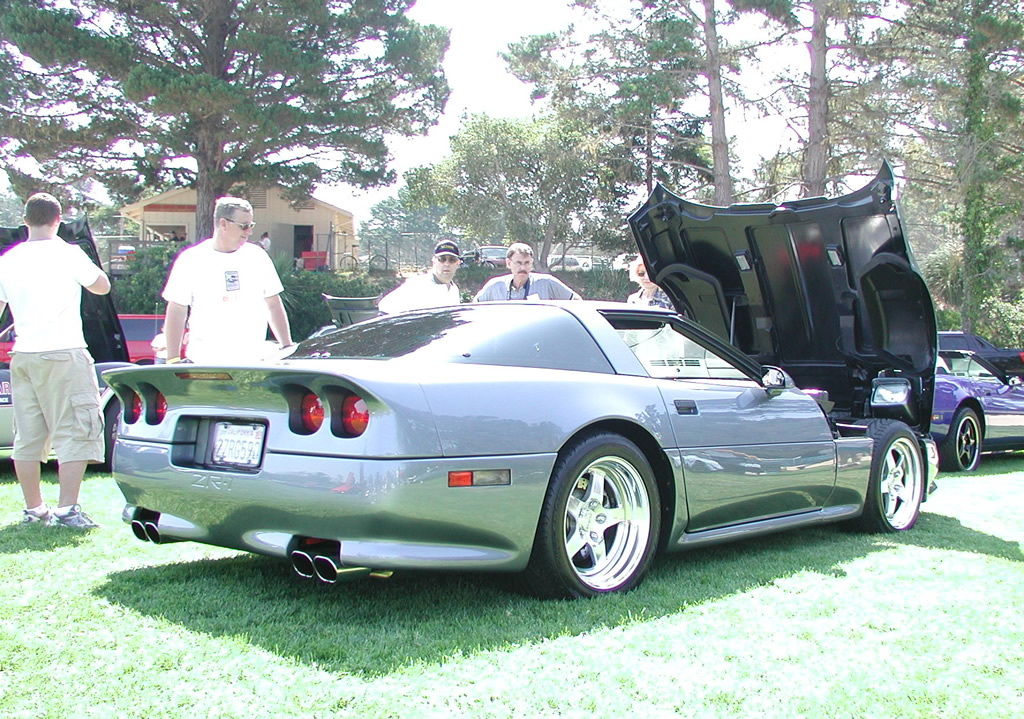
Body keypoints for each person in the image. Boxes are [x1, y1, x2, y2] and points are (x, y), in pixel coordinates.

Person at [0, 192, 111, 528]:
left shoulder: (8, 259)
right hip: (65, 352)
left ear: (25, 221)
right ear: (58, 219)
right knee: (76, 429)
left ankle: (34, 509)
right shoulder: (69, 253)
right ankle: (67, 510)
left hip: (23, 355)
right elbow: (102, 287)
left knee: (28, 434)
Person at [161, 196, 293, 364]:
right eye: (244, 226)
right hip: (204, 364)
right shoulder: (191, 259)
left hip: (252, 364)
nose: (249, 232)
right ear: (223, 224)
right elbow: (176, 311)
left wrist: (287, 347)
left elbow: (273, 304)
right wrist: (172, 360)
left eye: (250, 226)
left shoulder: (258, 257)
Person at [474, 242, 582, 302]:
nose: (523, 267)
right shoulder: (495, 286)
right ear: (508, 263)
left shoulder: (547, 283)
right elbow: (474, 308)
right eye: (518, 263)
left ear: (532, 263)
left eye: (527, 263)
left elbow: (576, 301)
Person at [378, 239, 463, 314]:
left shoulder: (454, 289)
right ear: (434, 261)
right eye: (442, 259)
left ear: (458, 263)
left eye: (452, 260)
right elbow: (385, 307)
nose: (447, 264)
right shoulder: (418, 284)